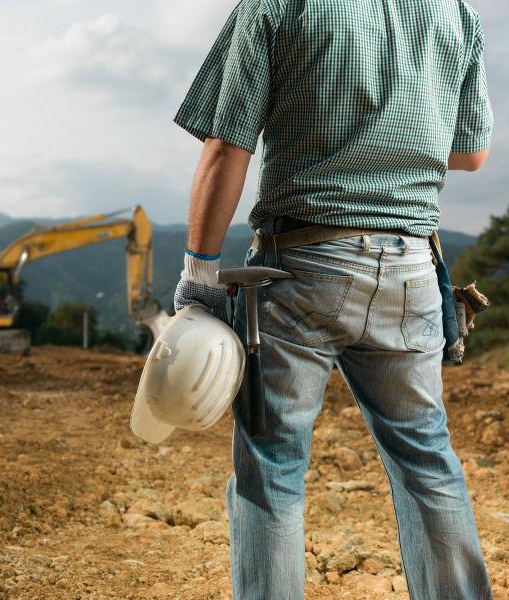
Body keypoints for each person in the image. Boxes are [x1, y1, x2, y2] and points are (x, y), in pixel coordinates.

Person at [172, 1, 494, 598]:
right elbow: (470, 154)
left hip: (300, 266)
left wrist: (199, 273)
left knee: (272, 468)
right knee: (427, 461)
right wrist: (393, 127)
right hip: (413, 268)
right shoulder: (455, 12)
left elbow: (226, 147)